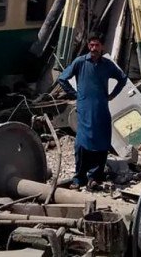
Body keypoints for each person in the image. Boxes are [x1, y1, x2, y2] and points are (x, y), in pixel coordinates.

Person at [56, 36, 128, 190]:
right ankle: (79, 178)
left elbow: (122, 78)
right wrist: (75, 94)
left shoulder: (107, 65)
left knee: (102, 140)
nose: (94, 48)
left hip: (101, 108)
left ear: (102, 47)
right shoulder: (81, 62)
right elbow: (62, 78)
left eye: (97, 45)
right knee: (82, 142)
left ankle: (95, 177)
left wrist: (113, 95)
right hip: (84, 108)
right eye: (91, 45)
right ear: (88, 46)